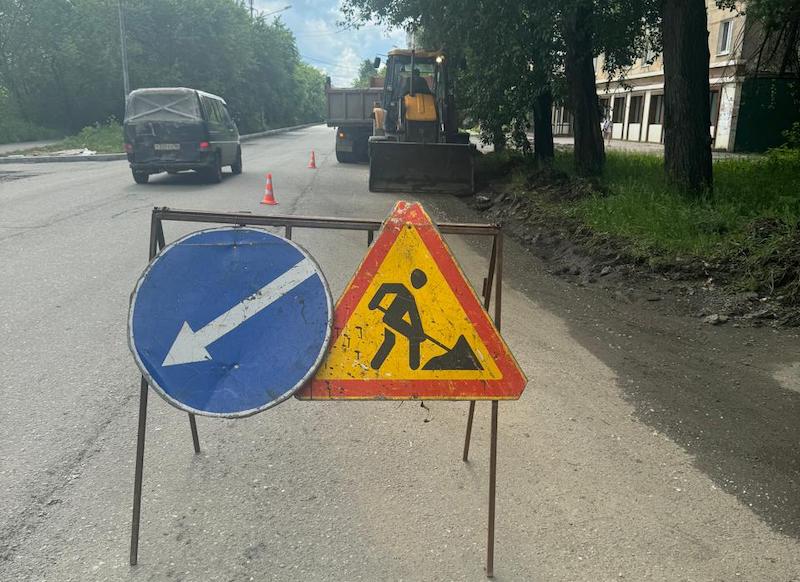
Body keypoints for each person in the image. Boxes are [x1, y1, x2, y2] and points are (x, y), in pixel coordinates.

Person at [368, 269, 428, 370]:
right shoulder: (403, 289)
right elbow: (384, 287)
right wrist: (373, 303)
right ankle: (413, 364)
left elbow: (414, 316)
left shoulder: (410, 297)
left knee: (407, 337)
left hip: (393, 320)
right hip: (391, 319)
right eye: (419, 283)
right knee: (397, 339)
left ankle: (413, 365)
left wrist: (420, 332)